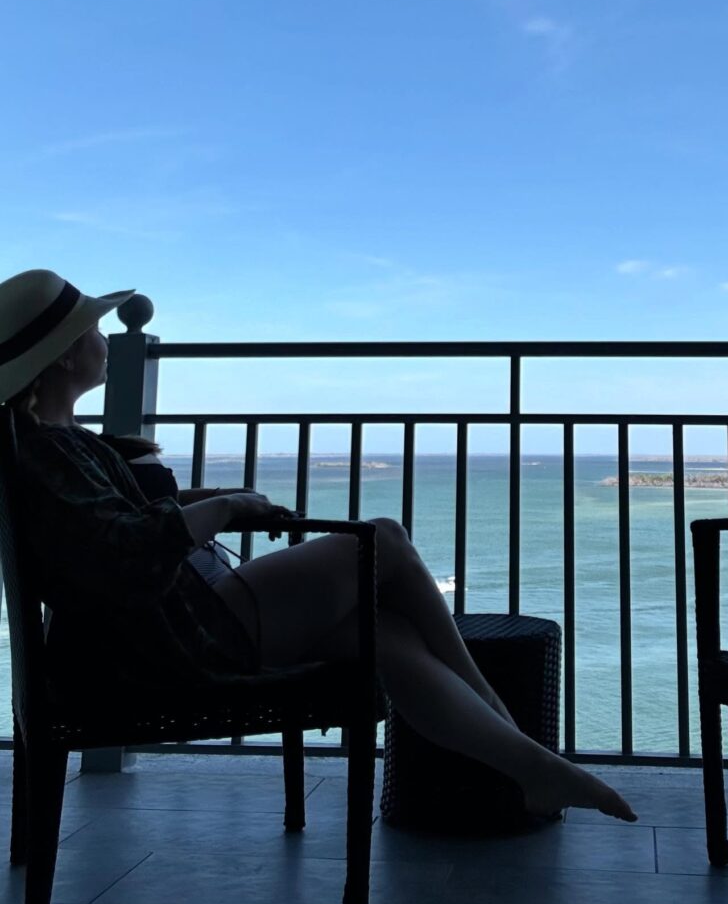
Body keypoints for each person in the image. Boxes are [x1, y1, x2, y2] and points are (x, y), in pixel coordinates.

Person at [0, 269, 637, 824]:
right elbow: (125, 557)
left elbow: (118, 522)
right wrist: (222, 509)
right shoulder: (51, 454)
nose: (105, 338)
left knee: (383, 631)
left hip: (173, 625)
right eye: (92, 329)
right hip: (182, 639)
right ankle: (497, 705)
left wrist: (218, 497)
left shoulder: (56, 443)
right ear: (61, 357)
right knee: (382, 539)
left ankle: (529, 768)